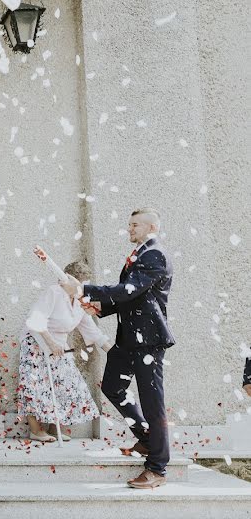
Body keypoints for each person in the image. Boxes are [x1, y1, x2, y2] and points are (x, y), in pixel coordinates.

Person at [62, 208, 174, 489]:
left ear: (151, 227)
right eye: (129, 224)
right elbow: (131, 295)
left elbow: (129, 290)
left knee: (152, 403)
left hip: (148, 341)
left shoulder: (155, 254)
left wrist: (83, 289)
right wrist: (100, 308)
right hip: (128, 339)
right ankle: (146, 439)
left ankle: (158, 468)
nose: (129, 229)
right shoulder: (142, 253)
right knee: (112, 386)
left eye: (135, 225)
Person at [18, 261, 112, 443]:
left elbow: (92, 331)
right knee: (35, 387)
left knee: (67, 385)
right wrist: (50, 342)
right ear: (65, 281)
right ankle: (36, 431)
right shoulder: (54, 292)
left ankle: (55, 428)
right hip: (37, 342)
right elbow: (35, 318)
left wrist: (114, 352)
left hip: (59, 347)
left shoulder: (80, 302)